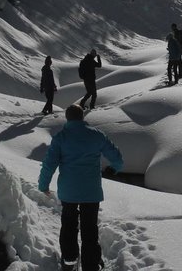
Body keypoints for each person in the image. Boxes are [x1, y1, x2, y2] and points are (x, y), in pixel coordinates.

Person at [38, 104, 123, 271]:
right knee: (90, 228)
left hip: (68, 192)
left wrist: (43, 185)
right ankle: (91, 264)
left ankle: (69, 260)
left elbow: (49, 164)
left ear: (67, 118)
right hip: (91, 192)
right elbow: (117, 158)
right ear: (82, 117)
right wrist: (114, 168)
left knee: (68, 225)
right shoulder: (97, 136)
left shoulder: (61, 138)